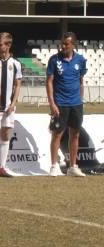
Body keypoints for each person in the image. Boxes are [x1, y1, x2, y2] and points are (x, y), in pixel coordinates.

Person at [46, 32, 87, 177]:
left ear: (73, 44)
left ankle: (73, 166)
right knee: (57, 134)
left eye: (66, 44)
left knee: (75, 134)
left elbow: (81, 80)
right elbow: (49, 82)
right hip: (60, 103)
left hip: (76, 104)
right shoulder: (54, 60)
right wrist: (52, 103)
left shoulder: (81, 60)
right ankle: (53, 166)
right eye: (62, 43)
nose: (63, 46)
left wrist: (81, 99)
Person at [0, 32, 23, 178]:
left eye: (0, 44)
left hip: (8, 106)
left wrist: (13, 103)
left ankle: (2, 167)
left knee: (6, 135)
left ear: (8, 45)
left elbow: (18, 85)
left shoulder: (16, 63)